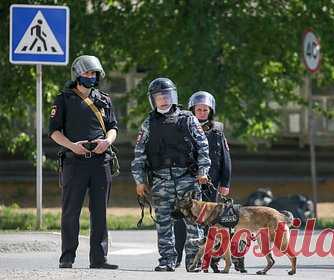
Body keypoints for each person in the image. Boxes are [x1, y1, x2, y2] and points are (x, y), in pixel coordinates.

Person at [131, 78, 211, 272]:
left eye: (166, 96)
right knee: (164, 224)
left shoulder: (187, 118)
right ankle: (167, 260)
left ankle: (193, 262)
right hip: (161, 180)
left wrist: (203, 172)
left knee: (193, 222)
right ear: (153, 100)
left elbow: (203, 147)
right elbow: (139, 154)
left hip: (187, 178)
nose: (164, 100)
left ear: (173, 96)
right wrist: (140, 181)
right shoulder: (148, 123)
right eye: (159, 97)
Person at [49, 55, 118, 269]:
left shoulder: (104, 99)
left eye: (94, 74)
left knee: (100, 212)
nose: (91, 77)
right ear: (77, 74)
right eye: (87, 73)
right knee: (71, 211)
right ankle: (67, 257)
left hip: (100, 162)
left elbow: (113, 127)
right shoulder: (63, 99)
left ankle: (99, 258)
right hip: (74, 161)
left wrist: (107, 141)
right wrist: (71, 146)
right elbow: (53, 132)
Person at [174, 91, 246, 273]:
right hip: (188, 182)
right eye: (198, 109)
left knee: (211, 222)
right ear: (192, 110)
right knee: (184, 219)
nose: (202, 113)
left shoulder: (217, 130)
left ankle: (209, 258)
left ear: (210, 111)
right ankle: (176, 255)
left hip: (210, 183)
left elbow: (225, 157)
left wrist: (225, 183)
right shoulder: (183, 126)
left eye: (205, 110)